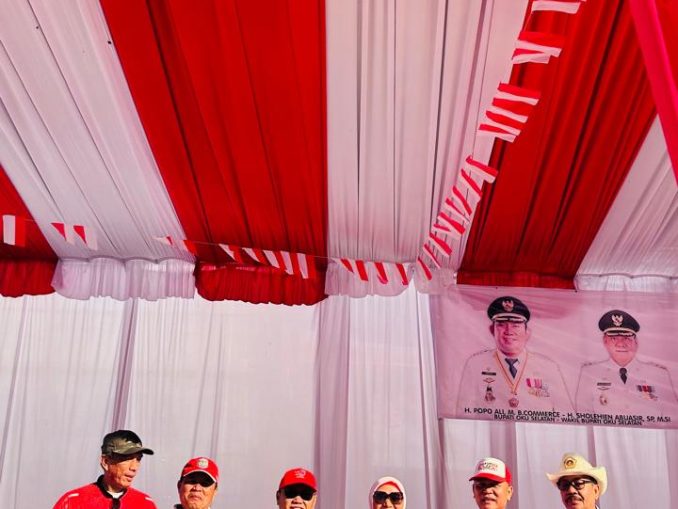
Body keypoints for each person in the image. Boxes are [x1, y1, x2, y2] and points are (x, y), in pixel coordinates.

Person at [456, 296, 573, 413]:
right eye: (501, 324)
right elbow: (463, 412)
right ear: (492, 330)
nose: (508, 331)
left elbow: (566, 414)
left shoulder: (548, 368)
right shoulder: (475, 365)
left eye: (515, 325)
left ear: (527, 332)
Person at [575, 310, 678, 419]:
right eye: (614, 338)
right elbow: (582, 418)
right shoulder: (589, 373)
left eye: (626, 338)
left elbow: (673, 418)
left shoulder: (659, 374)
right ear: (605, 341)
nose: (621, 344)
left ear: (636, 342)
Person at [52, 429, 156, 508]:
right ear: (106, 462)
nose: (134, 467)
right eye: (127, 458)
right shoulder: (72, 501)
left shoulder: (146, 503)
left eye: (138, 459)